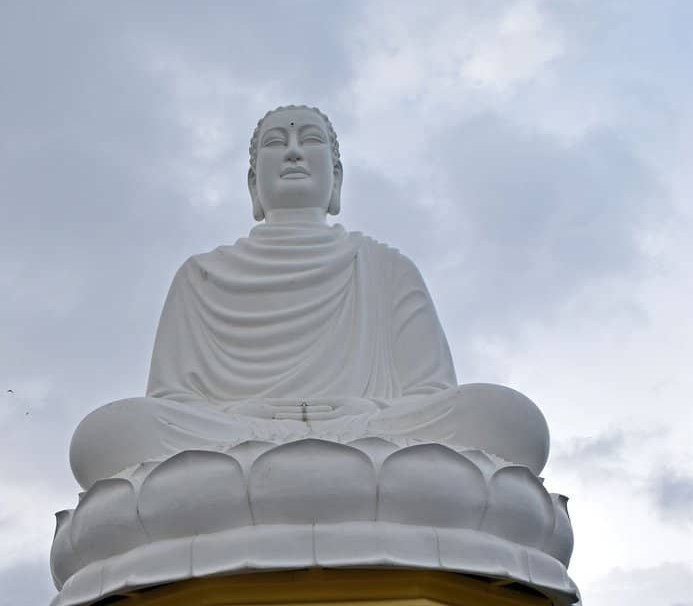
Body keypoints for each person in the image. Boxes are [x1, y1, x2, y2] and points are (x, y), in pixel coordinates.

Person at [69, 104, 550, 489]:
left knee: (506, 419)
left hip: (368, 435)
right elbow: (174, 401)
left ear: (335, 179)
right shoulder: (201, 275)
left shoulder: (385, 267)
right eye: (277, 144)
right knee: (107, 436)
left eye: (310, 141)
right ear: (254, 184)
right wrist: (242, 417)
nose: (295, 152)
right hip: (235, 439)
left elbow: (429, 395)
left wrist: (368, 414)